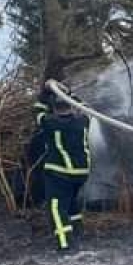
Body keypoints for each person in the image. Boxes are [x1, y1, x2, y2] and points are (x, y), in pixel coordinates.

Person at [39, 90, 92, 252]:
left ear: (54, 108)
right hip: (81, 173)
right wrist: (71, 94)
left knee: (56, 207)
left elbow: (37, 111)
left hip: (60, 172)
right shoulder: (83, 121)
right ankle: (77, 231)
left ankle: (64, 243)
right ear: (71, 106)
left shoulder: (49, 123)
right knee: (70, 202)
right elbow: (84, 107)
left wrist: (44, 94)